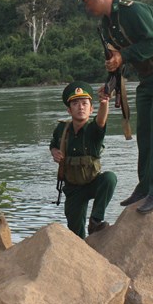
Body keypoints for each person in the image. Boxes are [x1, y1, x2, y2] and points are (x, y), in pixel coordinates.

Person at [70, 0, 153, 214]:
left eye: (86, 0)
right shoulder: (106, 25)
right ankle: (145, 187)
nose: (86, 6)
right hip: (148, 77)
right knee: (144, 134)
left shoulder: (133, 10)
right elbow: (118, 61)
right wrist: (110, 83)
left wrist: (123, 56)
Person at [50, 81, 117, 238]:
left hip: (92, 183)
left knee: (109, 178)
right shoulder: (62, 129)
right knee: (76, 235)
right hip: (73, 190)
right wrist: (54, 151)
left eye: (85, 103)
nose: (81, 107)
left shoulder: (94, 131)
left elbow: (101, 121)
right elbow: (53, 143)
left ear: (91, 108)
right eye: (75, 103)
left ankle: (95, 220)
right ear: (69, 109)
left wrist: (104, 102)